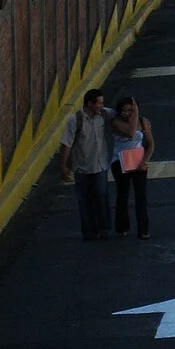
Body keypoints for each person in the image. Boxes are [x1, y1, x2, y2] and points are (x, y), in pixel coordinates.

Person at [58, 87, 113, 240]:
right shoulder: (75, 120)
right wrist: (63, 166)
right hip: (82, 167)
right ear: (89, 103)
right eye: (99, 103)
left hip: (100, 165)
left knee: (101, 195)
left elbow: (121, 114)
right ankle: (89, 231)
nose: (102, 106)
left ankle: (103, 227)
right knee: (85, 200)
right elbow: (66, 144)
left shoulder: (103, 114)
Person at [110, 92, 154, 239]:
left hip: (138, 161)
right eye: (124, 110)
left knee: (141, 196)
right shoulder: (116, 122)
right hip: (120, 161)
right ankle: (122, 227)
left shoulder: (142, 121)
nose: (127, 113)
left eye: (130, 110)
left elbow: (151, 144)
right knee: (123, 195)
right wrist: (136, 112)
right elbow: (130, 132)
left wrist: (145, 161)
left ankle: (143, 229)